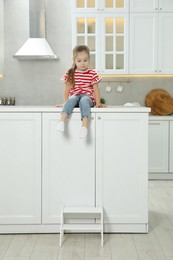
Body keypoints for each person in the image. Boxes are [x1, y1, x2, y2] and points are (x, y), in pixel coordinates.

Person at [57, 45, 105, 138]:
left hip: (88, 98)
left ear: (89, 59)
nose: (82, 63)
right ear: (74, 60)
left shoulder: (92, 73)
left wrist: (98, 103)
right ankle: (62, 121)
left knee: (84, 100)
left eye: (85, 60)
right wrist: (65, 102)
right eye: (79, 61)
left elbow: (96, 90)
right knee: (72, 99)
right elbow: (67, 89)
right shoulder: (70, 72)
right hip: (75, 96)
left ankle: (84, 126)